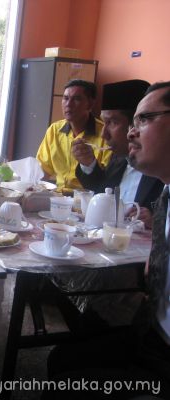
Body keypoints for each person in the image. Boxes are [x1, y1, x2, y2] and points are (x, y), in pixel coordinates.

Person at [42, 82, 170, 400]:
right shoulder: (158, 189)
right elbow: (101, 188)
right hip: (149, 333)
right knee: (62, 357)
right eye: (133, 121)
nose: (131, 132)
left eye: (145, 119)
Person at [74, 80, 164, 229]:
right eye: (104, 122)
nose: (104, 135)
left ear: (135, 126)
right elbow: (101, 191)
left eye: (113, 122)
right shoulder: (119, 158)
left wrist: (158, 221)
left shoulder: (161, 169)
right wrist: (89, 163)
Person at [36, 79, 112, 192]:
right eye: (66, 98)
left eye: (76, 99)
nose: (68, 104)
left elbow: (108, 180)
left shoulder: (105, 134)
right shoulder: (54, 130)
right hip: (57, 195)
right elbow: (42, 170)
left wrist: (90, 162)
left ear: (90, 104)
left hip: (87, 197)